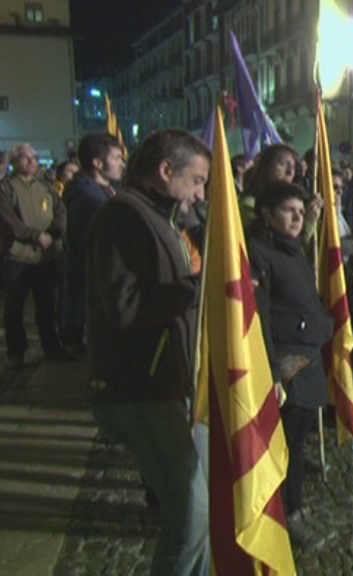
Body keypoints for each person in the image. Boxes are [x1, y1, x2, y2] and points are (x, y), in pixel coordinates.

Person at [86, 129, 210, 575]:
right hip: (138, 386)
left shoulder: (161, 217)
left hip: (166, 381)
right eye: (196, 181)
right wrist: (194, 289)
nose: (200, 193)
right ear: (165, 171)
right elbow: (124, 306)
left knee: (203, 510)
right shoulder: (124, 216)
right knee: (192, 512)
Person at [248, 180, 334, 544]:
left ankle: (293, 504)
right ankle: (287, 513)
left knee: (297, 441)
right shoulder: (259, 254)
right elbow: (260, 318)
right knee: (286, 446)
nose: (298, 217)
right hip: (287, 364)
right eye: (289, 211)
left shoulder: (293, 249)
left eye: (301, 211)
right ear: (267, 215)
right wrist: (273, 373)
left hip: (308, 356)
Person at [0, 143, 69, 366]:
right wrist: (35, 235)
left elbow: (60, 211)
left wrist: (53, 233)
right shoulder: (6, 188)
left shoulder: (45, 186)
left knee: (47, 305)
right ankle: (16, 351)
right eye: (24, 158)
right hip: (19, 258)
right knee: (14, 307)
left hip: (46, 256)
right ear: (13, 162)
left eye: (33, 157)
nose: (31, 161)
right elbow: (9, 221)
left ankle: (51, 346)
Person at [62, 133, 124, 353]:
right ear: (98, 163)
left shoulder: (103, 191)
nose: (121, 163)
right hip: (92, 285)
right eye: (116, 158)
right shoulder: (90, 199)